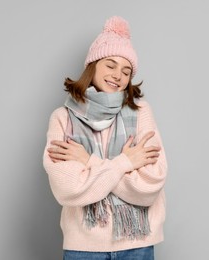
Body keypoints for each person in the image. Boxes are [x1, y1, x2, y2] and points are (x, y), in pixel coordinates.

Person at [43, 16, 167, 260]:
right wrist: (127, 163)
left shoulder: (141, 113)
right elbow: (69, 190)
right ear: (94, 65)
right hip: (84, 248)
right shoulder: (62, 118)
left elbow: (150, 185)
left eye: (126, 70)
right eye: (110, 65)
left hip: (137, 245)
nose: (117, 75)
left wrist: (88, 161)